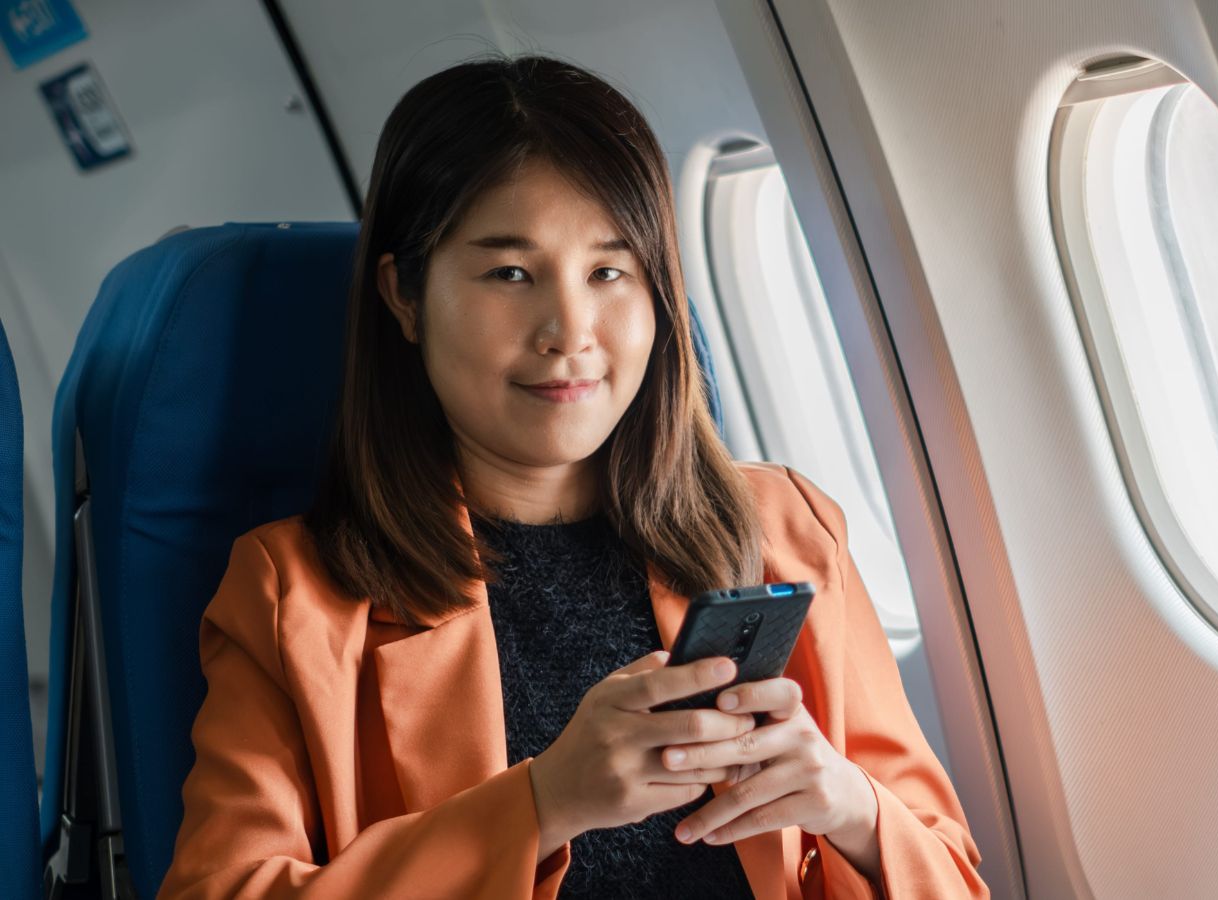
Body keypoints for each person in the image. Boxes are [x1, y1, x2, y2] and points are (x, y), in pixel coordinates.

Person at [157, 54, 987, 899]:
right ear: (404, 296)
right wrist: (541, 805)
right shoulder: (292, 597)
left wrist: (849, 809)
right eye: (510, 273)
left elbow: (950, 872)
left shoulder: (785, 530)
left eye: (609, 272)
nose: (570, 331)